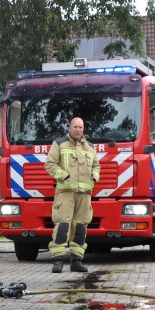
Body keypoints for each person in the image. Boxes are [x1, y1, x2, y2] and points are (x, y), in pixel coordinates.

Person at [44, 116, 99, 273]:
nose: (78, 130)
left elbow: (96, 165)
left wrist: (95, 176)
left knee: (80, 227)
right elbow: (50, 164)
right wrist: (64, 176)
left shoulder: (90, 147)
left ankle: (77, 261)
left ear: (83, 129)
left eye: (80, 127)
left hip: (84, 193)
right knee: (62, 225)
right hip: (65, 192)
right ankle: (58, 261)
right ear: (69, 128)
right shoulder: (59, 144)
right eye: (75, 127)